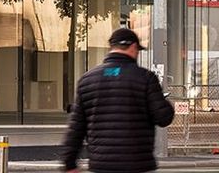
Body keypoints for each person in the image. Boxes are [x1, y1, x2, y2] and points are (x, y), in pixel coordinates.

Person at [61, 26, 175, 173]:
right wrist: (166, 103)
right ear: (133, 47)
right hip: (137, 164)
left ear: (112, 48)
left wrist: (69, 163)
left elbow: (76, 128)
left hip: (101, 164)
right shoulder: (145, 78)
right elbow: (163, 118)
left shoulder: (87, 80)